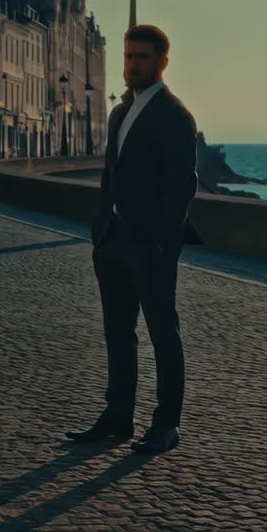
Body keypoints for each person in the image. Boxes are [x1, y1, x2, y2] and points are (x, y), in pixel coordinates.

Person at [66, 24, 203, 454]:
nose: (132, 65)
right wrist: (101, 230)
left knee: (164, 331)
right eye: (127, 57)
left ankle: (167, 424)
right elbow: (111, 177)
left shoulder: (176, 115)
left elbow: (183, 185)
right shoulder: (119, 113)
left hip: (151, 245)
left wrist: (162, 241)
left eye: (142, 58)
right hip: (112, 241)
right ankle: (117, 416)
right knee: (117, 332)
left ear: (162, 62)